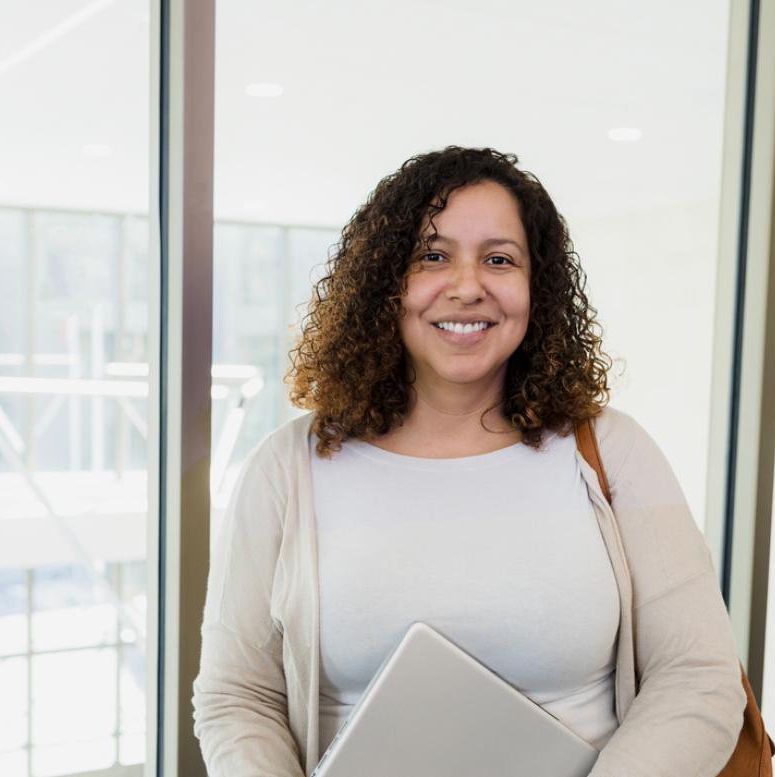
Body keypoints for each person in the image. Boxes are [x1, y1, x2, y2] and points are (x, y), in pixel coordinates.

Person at [193, 146, 746, 777]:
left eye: (499, 259)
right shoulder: (288, 467)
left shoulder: (612, 452)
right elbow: (238, 694)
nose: (466, 286)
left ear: (536, 289)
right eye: (432, 255)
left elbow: (698, 677)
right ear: (385, 282)